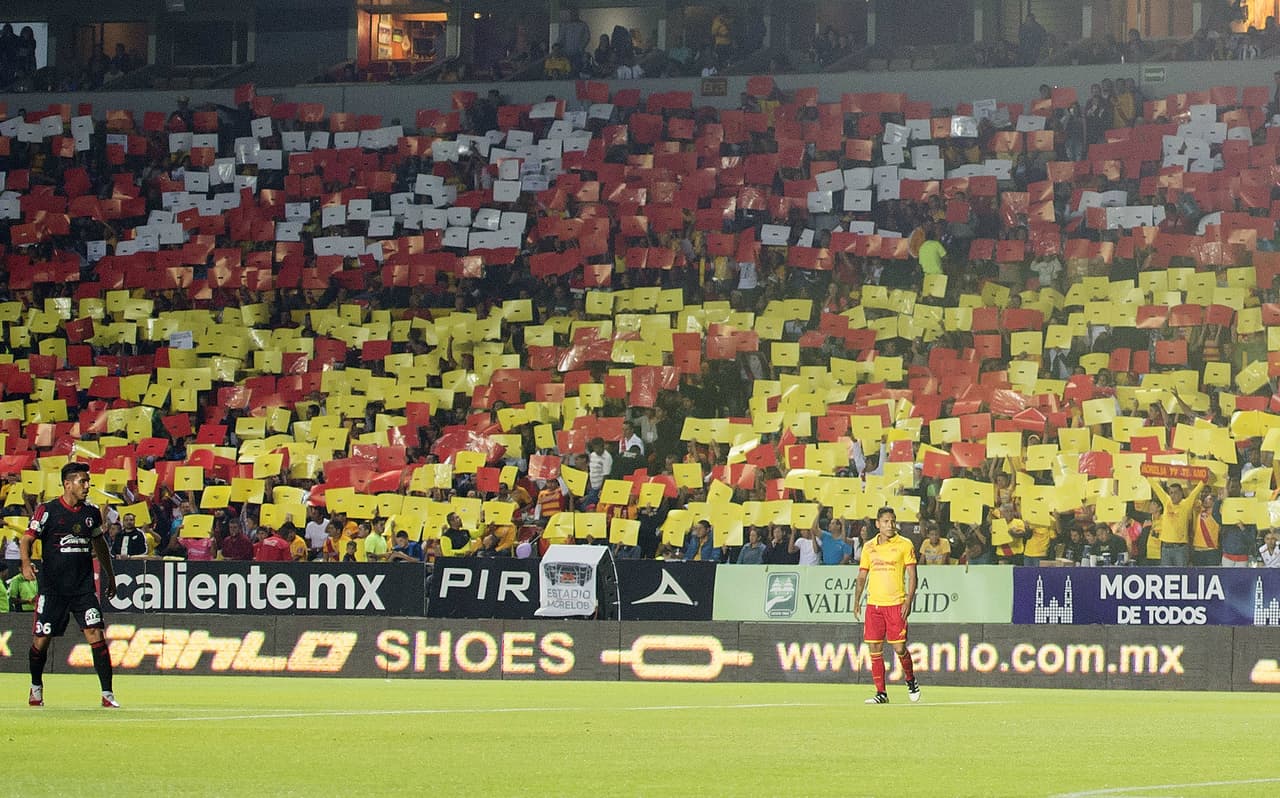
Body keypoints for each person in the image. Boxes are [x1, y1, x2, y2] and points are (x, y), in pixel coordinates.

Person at [20, 462, 119, 708]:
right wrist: (25, 563)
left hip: (83, 588)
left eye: (88, 482)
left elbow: (100, 545)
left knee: (96, 634)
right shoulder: (47, 511)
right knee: (41, 642)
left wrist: (110, 575)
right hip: (53, 589)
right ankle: (36, 687)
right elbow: (26, 540)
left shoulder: (91, 513)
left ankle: (107, 694)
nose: (87, 486)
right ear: (67, 483)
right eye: (82, 482)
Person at [853, 507, 920, 705]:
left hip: (896, 603)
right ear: (877, 524)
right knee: (874, 646)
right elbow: (862, 576)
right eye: (885, 522)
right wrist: (857, 600)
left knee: (899, 648)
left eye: (892, 521)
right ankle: (881, 693)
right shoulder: (868, 547)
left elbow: (912, 575)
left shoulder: (904, 544)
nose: (890, 525)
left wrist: (908, 599)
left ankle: (910, 679)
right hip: (874, 605)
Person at [1147, 476, 1205, 566]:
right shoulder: (1167, 501)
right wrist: (1147, 476)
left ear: (1181, 493)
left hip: (1180, 549)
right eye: (1171, 493)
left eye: (1176, 493)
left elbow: (1196, 491)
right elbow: (1156, 488)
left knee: (1181, 575)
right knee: (1166, 576)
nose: (1173, 495)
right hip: (1165, 548)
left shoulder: (1186, 504)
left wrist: (1204, 479)